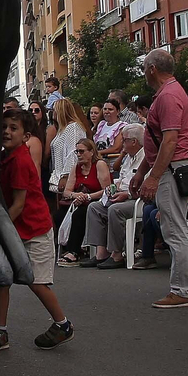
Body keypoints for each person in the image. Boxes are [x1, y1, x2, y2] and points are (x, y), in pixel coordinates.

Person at [132, 47, 188, 308]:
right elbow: (159, 141)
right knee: (179, 226)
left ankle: (182, 290)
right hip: (172, 166)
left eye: (145, 68)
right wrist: (141, 172)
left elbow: (169, 141)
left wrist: (153, 177)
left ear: (152, 69)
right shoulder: (170, 92)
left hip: (171, 168)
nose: (144, 74)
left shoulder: (168, 96)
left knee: (173, 229)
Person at [0, 109, 72, 353]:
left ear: (26, 136)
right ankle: (0, 331)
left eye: (13, 128)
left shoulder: (21, 161)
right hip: (14, 228)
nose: (6, 132)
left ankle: (62, 324)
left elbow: (19, 204)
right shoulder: (4, 157)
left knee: (37, 281)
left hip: (34, 229)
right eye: (3, 127)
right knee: (2, 278)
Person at [83, 124, 145, 269]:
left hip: (137, 200)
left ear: (134, 142)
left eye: (124, 140)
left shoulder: (145, 158)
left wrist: (126, 194)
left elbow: (145, 185)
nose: (122, 144)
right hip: (121, 195)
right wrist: (114, 188)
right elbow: (121, 178)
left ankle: (117, 254)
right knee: (94, 207)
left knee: (115, 210)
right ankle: (101, 253)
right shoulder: (129, 158)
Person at [57, 136, 111, 266]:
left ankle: (74, 252)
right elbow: (66, 191)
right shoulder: (76, 167)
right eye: (77, 151)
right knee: (58, 214)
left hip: (97, 201)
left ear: (91, 152)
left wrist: (88, 197)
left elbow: (107, 190)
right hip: (79, 201)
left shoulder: (99, 165)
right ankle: (67, 247)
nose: (79, 155)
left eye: (82, 151)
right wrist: (77, 195)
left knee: (80, 214)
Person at [47, 99, 91, 226]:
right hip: (57, 175)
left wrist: (66, 176)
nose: (52, 112)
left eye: (54, 110)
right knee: (60, 213)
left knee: (65, 213)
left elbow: (73, 153)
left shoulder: (73, 128)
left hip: (66, 176)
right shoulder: (63, 129)